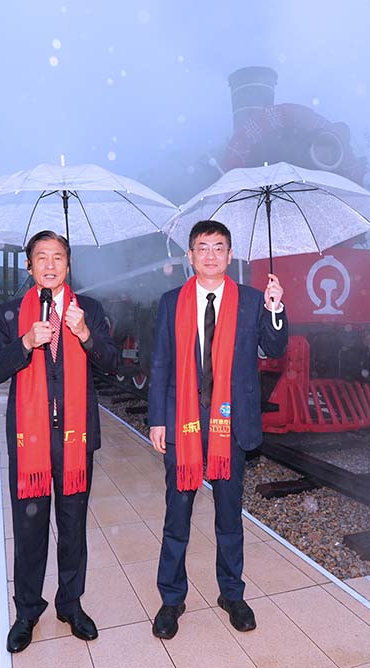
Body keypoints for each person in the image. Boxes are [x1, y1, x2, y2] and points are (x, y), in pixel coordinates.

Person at [147, 219, 288, 639]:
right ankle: (172, 599)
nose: (210, 255)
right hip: (184, 423)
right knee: (177, 516)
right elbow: (160, 363)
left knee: (229, 517)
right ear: (190, 256)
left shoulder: (252, 300)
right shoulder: (171, 302)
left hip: (231, 423)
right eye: (202, 247)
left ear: (230, 255)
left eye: (219, 247)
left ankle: (232, 594)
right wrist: (157, 419)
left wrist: (275, 309)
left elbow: (274, 349)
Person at [0, 230, 118, 653]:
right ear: (29, 266)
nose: (50, 264)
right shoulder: (9, 314)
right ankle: (27, 611)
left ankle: (70, 604)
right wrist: (25, 342)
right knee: (29, 529)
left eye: (58, 256)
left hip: (76, 440)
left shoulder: (88, 309)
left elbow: (112, 364)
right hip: (31, 441)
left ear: (68, 264)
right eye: (41, 257)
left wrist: (85, 334)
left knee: (73, 527)